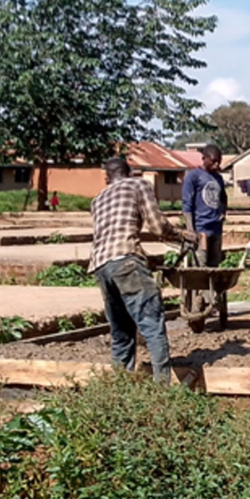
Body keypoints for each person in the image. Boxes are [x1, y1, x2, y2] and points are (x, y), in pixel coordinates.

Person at [89, 157, 196, 382]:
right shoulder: (138, 185)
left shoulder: (98, 199)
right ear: (130, 172)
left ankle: (120, 388)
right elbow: (157, 226)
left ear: (107, 177)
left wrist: (145, 260)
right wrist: (181, 236)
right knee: (152, 324)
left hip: (102, 267)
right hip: (125, 260)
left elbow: (114, 233)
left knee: (121, 333)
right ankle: (161, 392)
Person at [182, 145, 228, 269]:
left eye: (219, 161)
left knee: (215, 265)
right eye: (213, 161)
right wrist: (191, 231)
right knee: (201, 266)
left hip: (216, 229)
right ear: (204, 158)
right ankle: (200, 288)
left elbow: (223, 197)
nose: (216, 165)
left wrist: (223, 212)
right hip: (201, 229)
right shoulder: (193, 176)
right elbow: (187, 205)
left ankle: (212, 289)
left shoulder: (218, 178)